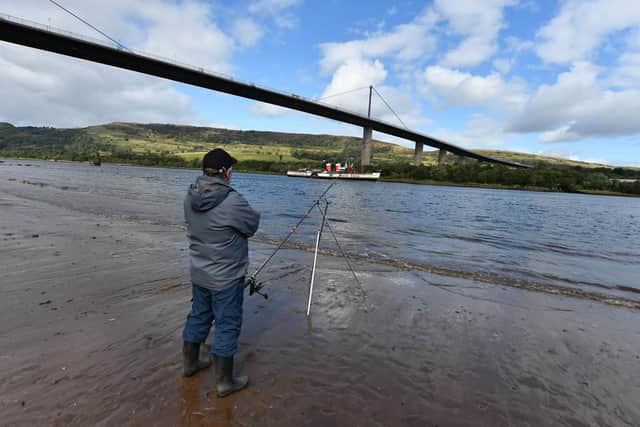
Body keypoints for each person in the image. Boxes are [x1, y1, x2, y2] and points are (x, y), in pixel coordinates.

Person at [181, 148, 260, 398]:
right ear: (226, 172)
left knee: (198, 315)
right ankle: (225, 382)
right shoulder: (232, 200)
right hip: (226, 276)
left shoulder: (189, 195)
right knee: (227, 324)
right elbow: (252, 225)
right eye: (231, 169)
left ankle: (190, 364)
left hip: (199, 271)